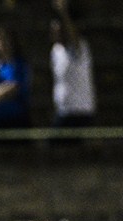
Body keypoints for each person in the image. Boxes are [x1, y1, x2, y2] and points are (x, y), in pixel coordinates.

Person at [50, 0, 96, 133]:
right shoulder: (55, 51)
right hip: (63, 110)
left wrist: (63, 12)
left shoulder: (79, 47)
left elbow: (72, 34)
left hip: (80, 111)